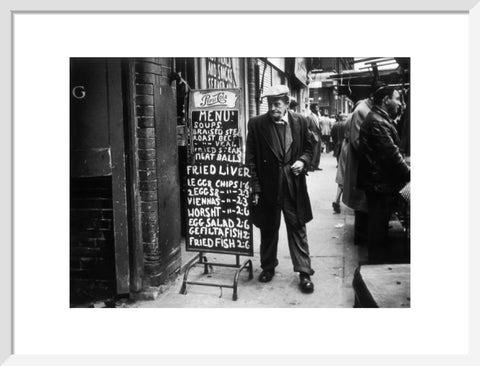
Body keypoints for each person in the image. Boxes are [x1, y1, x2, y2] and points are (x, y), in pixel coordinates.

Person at [246, 84, 315, 294]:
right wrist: (255, 188)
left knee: (297, 227)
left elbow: (310, 148)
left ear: (287, 103)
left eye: (277, 104)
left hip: (293, 187)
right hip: (268, 187)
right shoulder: (257, 124)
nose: (273, 108)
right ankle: (268, 267)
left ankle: (304, 272)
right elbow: (250, 159)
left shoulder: (300, 122)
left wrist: (303, 161)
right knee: (268, 228)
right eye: (269, 104)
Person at [358, 86, 410, 264]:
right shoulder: (378, 122)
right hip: (379, 185)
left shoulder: (379, 118)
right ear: (386, 100)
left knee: (378, 228)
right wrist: (410, 173)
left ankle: (377, 262)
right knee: (377, 230)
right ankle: (376, 267)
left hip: (379, 183)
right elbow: (392, 156)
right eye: (397, 99)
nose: (400, 103)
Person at [342, 96, 373, 246]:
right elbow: (357, 141)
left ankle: (363, 235)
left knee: (363, 203)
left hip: (363, 164)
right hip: (361, 164)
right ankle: (361, 237)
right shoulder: (361, 110)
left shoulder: (365, 109)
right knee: (361, 203)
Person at [331, 114, 348, 214]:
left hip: (340, 145)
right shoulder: (348, 124)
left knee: (341, 173)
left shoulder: (336, 124)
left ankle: (336, 200)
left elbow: (332, 134)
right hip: (348, 147)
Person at [306, 103, 322, 171]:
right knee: (313, 151)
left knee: (318, 151)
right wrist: (311, 134)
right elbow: (306, 128)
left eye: (318, 107)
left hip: (319, 136)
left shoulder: (317, 116)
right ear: (312, 109)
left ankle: (316, 165)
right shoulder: (309, 117)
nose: (318, 109)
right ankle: (311, 166)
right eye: (316, 107)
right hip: (313, 136)